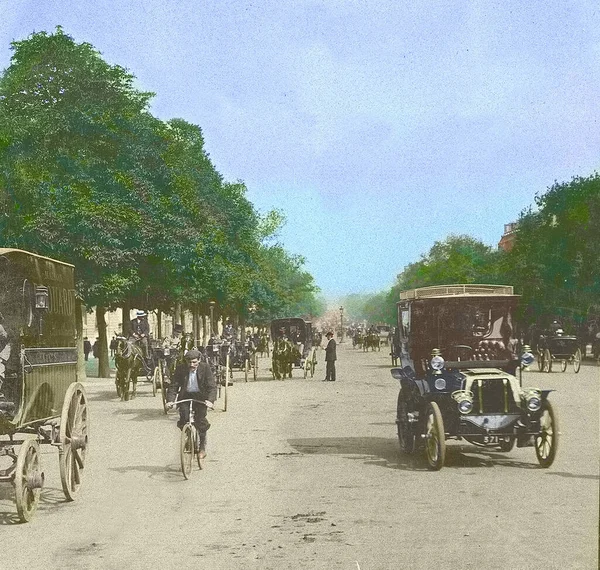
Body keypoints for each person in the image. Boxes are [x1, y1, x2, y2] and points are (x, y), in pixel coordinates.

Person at [166, 349, 217, 458]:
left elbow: (212, 386)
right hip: (186, 396)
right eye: (189, 362)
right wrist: (170, 400)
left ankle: (202, 447)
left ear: (199, 360)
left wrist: (210, 401)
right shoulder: (181, 369)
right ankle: (188, 434)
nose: (192, 365)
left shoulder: (205, 368)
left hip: (200, 397)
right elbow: (173, 386)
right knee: (184, 418)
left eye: (194, 362)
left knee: (200, 421)